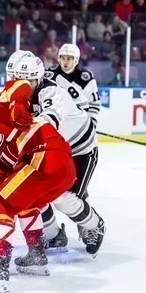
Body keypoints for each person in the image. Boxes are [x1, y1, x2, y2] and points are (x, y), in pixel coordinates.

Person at [0, 63, 76, 293]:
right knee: (25, 203)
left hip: (45, 154)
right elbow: (12, 174)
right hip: (61, 168)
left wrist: (17, 107)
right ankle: (37, 257)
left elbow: (19, 85)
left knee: (2, 205)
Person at [39, 44, 105, 256]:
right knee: (48, 192)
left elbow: (92, 105)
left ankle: (90, 225)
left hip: (79, 143)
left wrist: (90, 125)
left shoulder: (84, 78)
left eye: (70, 58)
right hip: (60, 146)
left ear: (76, 60)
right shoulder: (49, 75)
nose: (65, 61)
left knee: (71, 196)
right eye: (63, 57)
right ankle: (56, 232)